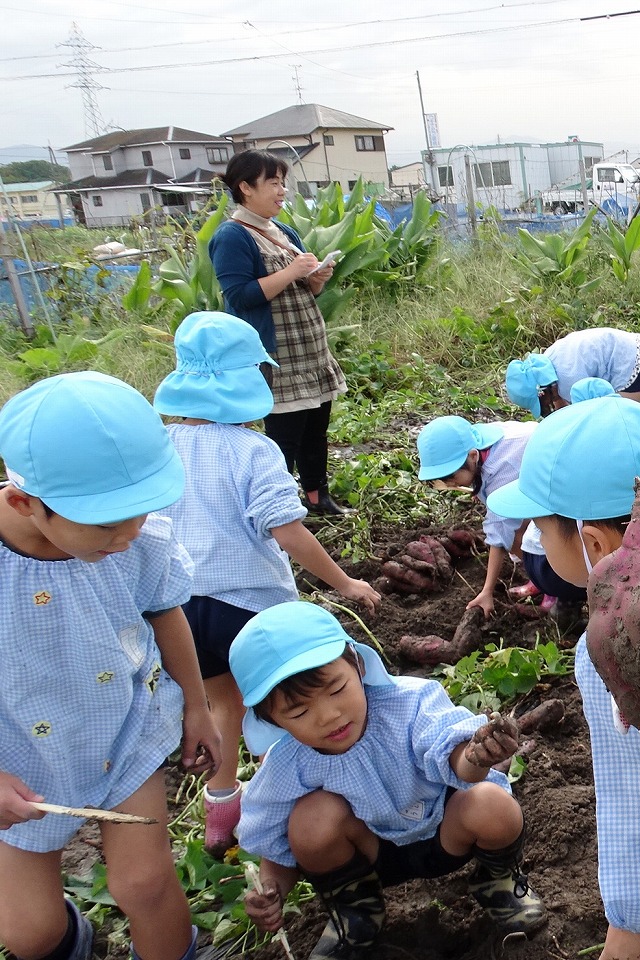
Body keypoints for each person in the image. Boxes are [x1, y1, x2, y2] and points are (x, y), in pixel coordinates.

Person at [0, 372, 222, 960]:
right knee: (30, 934)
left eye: (140, 514)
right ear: (24, 502)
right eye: (105, 523)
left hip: (125, 728)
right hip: (20, 754)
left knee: (144, 885)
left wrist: (197, 707)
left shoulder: (131, 544)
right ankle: (77, 941)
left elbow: (163, 611)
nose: (127, 536)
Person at [153, 311, 381, 855]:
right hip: (247, 608)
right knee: (290, 705)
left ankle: (222, 811)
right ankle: (302, 798)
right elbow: (288, 532)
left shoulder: (159, 446)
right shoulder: (252, 450)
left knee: (221, 706)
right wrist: (345, 583)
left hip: (180, 611)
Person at [486, 396, 640, 960]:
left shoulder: (609, 647)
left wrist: (628, 924)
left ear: (594, 545)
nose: (537, 542)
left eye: (542, 531)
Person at [231, 602, 545, 959]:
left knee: (492, 804)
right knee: (308, 820)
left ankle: (497, 881)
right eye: (299, 712)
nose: (329, 716)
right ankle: (357, 913)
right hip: (369, 856)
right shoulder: (287, 764)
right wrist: (270, 891)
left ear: (357, 663)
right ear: (272, 721)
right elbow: (277, 852)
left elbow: (454, 758)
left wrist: (476, 756)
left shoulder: (408, 703)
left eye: (336, 690)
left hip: (446, 830)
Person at [210, 149, 348, 516]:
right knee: (284, 438)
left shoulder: (283, 232)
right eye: (273, 182)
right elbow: (239, 297)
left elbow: (305, 291)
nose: (282, 190)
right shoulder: (233, 236)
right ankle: (279, 508)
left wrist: (315, 279)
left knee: (316, 430)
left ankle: (318, 497)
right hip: (278, 357)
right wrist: (291, 272)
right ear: (245, 188)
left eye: (283, 182)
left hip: (310, 350)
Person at [416, 415, 536, 615]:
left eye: (452, 478)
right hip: (537, 482)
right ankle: (540, 575)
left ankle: (555, 585)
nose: (451, 485)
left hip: (570, 493)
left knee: (517, 534)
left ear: (473, 456)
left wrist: (487, 590)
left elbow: (498, 535)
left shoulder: (504, 466)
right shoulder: (479, 440)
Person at [505, 327, 640, 419]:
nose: (548, 406)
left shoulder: (569, 381)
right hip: (631, 347)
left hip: (635, 369)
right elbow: (559, 399)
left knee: (617, 418)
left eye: (543, 404)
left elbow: (585, 417)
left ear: (542, 393)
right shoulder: (547, 361)